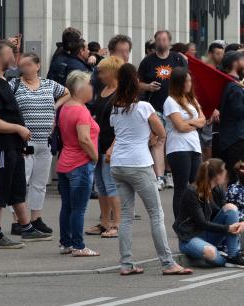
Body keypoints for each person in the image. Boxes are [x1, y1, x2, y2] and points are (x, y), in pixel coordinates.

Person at [110, 63, 190, 276]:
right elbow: (161, 130)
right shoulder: (144, 107)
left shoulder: (115, 108)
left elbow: (120, 132)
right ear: (136, 82)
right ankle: (167, 262)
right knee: (156, 214)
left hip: (118, 163)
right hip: (139, 164)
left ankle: (126, 263)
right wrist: (155, 138)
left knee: (126, 215)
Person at [0, 40, 51, 248]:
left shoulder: (3, 80)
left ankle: (26, 227)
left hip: (13, 146)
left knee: (17, 187)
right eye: (10, 54)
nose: (14, 59)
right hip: (1, 146)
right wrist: (18, 128)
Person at [9, 53, 69, 235]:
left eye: (27, 65)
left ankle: (36, 218)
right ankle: (17, 220)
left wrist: (55, 107)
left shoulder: (49, 84)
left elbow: (67, 93)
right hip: (24, 142)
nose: (23, 69)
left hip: (45, 141)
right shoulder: (14, 84)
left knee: (40, 183)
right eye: (21, 65)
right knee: (22, 181)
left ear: (37, 66)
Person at [174, 158, 244, 268]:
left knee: (231, 208)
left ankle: (233, 255)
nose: (226, 172)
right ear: (217, 175)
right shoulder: (192, 192)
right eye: (224, 170)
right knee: (210, 253)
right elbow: (202, 223)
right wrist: (228, 228)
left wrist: (241, 222)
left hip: (208, 234)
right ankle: (225, 258)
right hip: (190, 237)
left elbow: (225, 209)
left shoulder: (217, 189)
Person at [56, 71, 100, 256]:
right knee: (79, 209)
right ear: (80, 88)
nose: (92, 88)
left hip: (64, 162)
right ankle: (79, 245)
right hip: (80, 164)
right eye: (89, 84)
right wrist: (95, 156)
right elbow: (84, 139)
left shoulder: (65, 108)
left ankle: (66, 243)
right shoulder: (81, 110)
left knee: (67, 206)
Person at [138, 30, 187, 190]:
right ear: (155, 42)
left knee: (172, 141)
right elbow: (138, 84)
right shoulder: (147, 61)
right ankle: (159, 177)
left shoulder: (178, 59)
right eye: (159, 40)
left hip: (175, 107)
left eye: (164, 39)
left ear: (169, 42)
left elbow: (188, 81)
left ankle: (170, 174)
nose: (161, 42)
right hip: (155, 107)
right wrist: (148, 87)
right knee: (159, 141)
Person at [86, 56, 124, 238]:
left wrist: (113, 147)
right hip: (98, 144)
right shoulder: (102, 90)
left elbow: (123, 125)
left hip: (111, 145)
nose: (99, 74)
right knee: (101, 185)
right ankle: (104, 222)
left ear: (112, 72)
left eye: (102, 71)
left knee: (110, 185)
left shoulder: (121, 93)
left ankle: (116, 223)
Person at [164, 67, 206, 220]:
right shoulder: (170, 101)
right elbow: (179, 127)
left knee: (196, 187)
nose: (189, 83)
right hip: (178, 148)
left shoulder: (191, 99)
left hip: (194, 146)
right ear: (178, 82)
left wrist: (189, 122)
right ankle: (180, 222)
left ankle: (194, 220)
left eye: (190, 80)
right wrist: (195, 123)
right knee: (181, 188)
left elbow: (203, 120)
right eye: (186, 80)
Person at [218, 51, 244, 182]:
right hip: (238, 139)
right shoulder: (235, 87)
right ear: (235, 63)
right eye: (243, 59)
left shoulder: (234, 83)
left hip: (236, 137)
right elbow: (239, 112)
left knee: (237, 178)